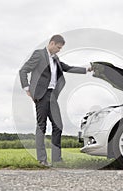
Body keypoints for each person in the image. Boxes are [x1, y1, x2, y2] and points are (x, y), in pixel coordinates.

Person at [19, 34, 92, 167]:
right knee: (41, 126)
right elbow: (23, 70)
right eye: (58, 47)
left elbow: (67, 68)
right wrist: (27, 88)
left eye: (60, 48)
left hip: (52, 96)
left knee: (58, 126)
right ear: (52, 43)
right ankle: (42, 159)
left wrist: (86, 69)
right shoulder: (39, 54)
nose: (59, 50)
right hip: (41, 94)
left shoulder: (56, 58)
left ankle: (56, 159)